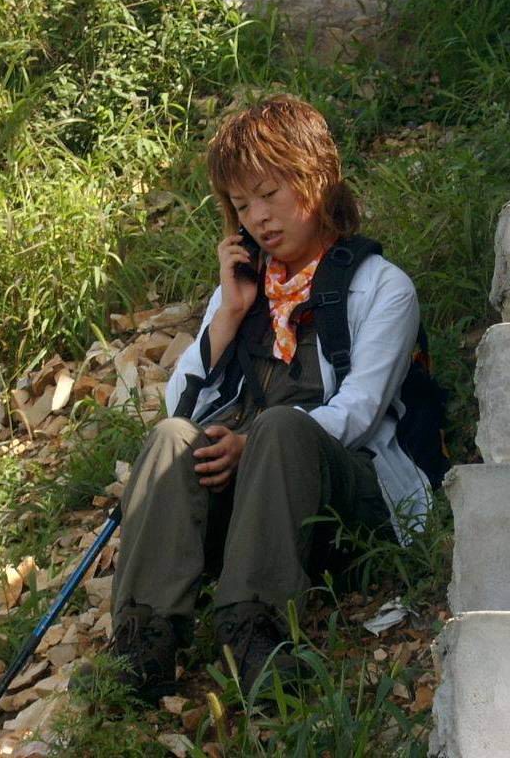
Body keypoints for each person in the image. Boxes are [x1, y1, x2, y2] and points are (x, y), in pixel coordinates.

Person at [74, 94, 431, 703]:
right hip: (252, 511)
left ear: (315, 178)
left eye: (269, 194)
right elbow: (180, 410)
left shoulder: (382, 288)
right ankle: (144, 642)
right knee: (170, 438)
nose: (260, 218)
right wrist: (230, 316)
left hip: (345, 507)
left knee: (283, 426)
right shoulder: (240, 290)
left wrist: (252, 443)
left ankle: (254, 631)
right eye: (242, 206)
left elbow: (360, 412)